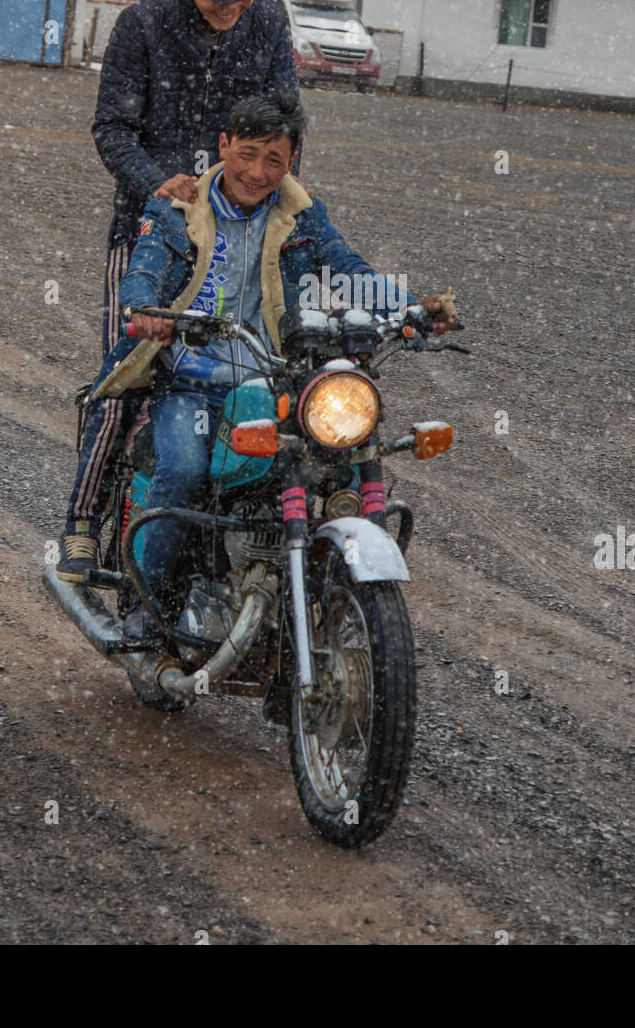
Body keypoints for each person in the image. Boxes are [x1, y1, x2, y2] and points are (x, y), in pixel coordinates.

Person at [99, 93, 455, 631]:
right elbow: (145, 268)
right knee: (186, 469)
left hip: (275, 381)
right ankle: (150, 611)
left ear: (293, 163)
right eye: (247, 153)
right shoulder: (178, 207)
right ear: (223, 145)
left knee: (344, 455)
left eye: (274, 159)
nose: (257, 171)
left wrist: (409, 308)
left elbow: (347, 268)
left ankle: (329, 595)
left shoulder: (304, 215)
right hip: (191, 384)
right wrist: (147, 309)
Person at [57, 0, 300, 581]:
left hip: (240, 227)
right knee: (128, 376)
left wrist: (269, 188)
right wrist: (155, 184)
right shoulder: (143, 24)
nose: (233, 8)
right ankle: (80, 519)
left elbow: (287, 115)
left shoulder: (267, 23)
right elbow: (112, 128)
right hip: (152, 234)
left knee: (257, 375)